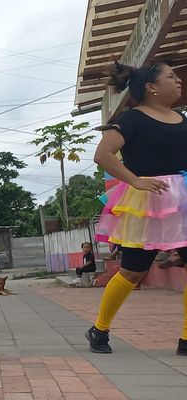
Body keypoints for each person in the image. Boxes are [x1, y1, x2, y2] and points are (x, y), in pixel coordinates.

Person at [87, 60, 187, 355]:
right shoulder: (132, 119)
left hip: (182, 202)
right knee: (133, 272)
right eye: (171, 76)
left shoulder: (181, 118)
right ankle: (99, 329)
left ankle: (186, 338)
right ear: (151, 87)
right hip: (148, 203)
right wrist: (134, 180)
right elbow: (103, 155)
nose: (178, 80)